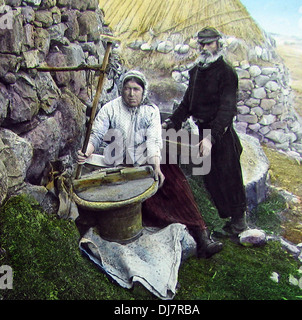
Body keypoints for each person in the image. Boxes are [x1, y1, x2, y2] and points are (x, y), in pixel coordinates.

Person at [77, 69, 223, 258]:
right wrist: (86, 151)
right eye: (127, 89)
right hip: (121, 164)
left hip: (147, 160)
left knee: (175, 183)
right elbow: (96, 135)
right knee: (145, 204)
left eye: (136, 89)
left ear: (143, 91)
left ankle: (202, 235)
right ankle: (166, 225)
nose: (131, 94)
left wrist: (156, 166)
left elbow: (154, 141)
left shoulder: (151, 111)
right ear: (121, 90)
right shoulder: (110, 109)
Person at [162, 27, 248, 236]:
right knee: (211, 177)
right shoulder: (196, 71)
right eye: (201, 43)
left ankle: (239, 223)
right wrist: (172, 122)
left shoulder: (226, 73)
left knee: (230, 175)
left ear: (218, 44)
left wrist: (211, 138)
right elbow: (187, 104)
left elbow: (227, 109)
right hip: (203, 131)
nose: (204, 47)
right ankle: (228, 222)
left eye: (209, 43)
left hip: (221, 133)